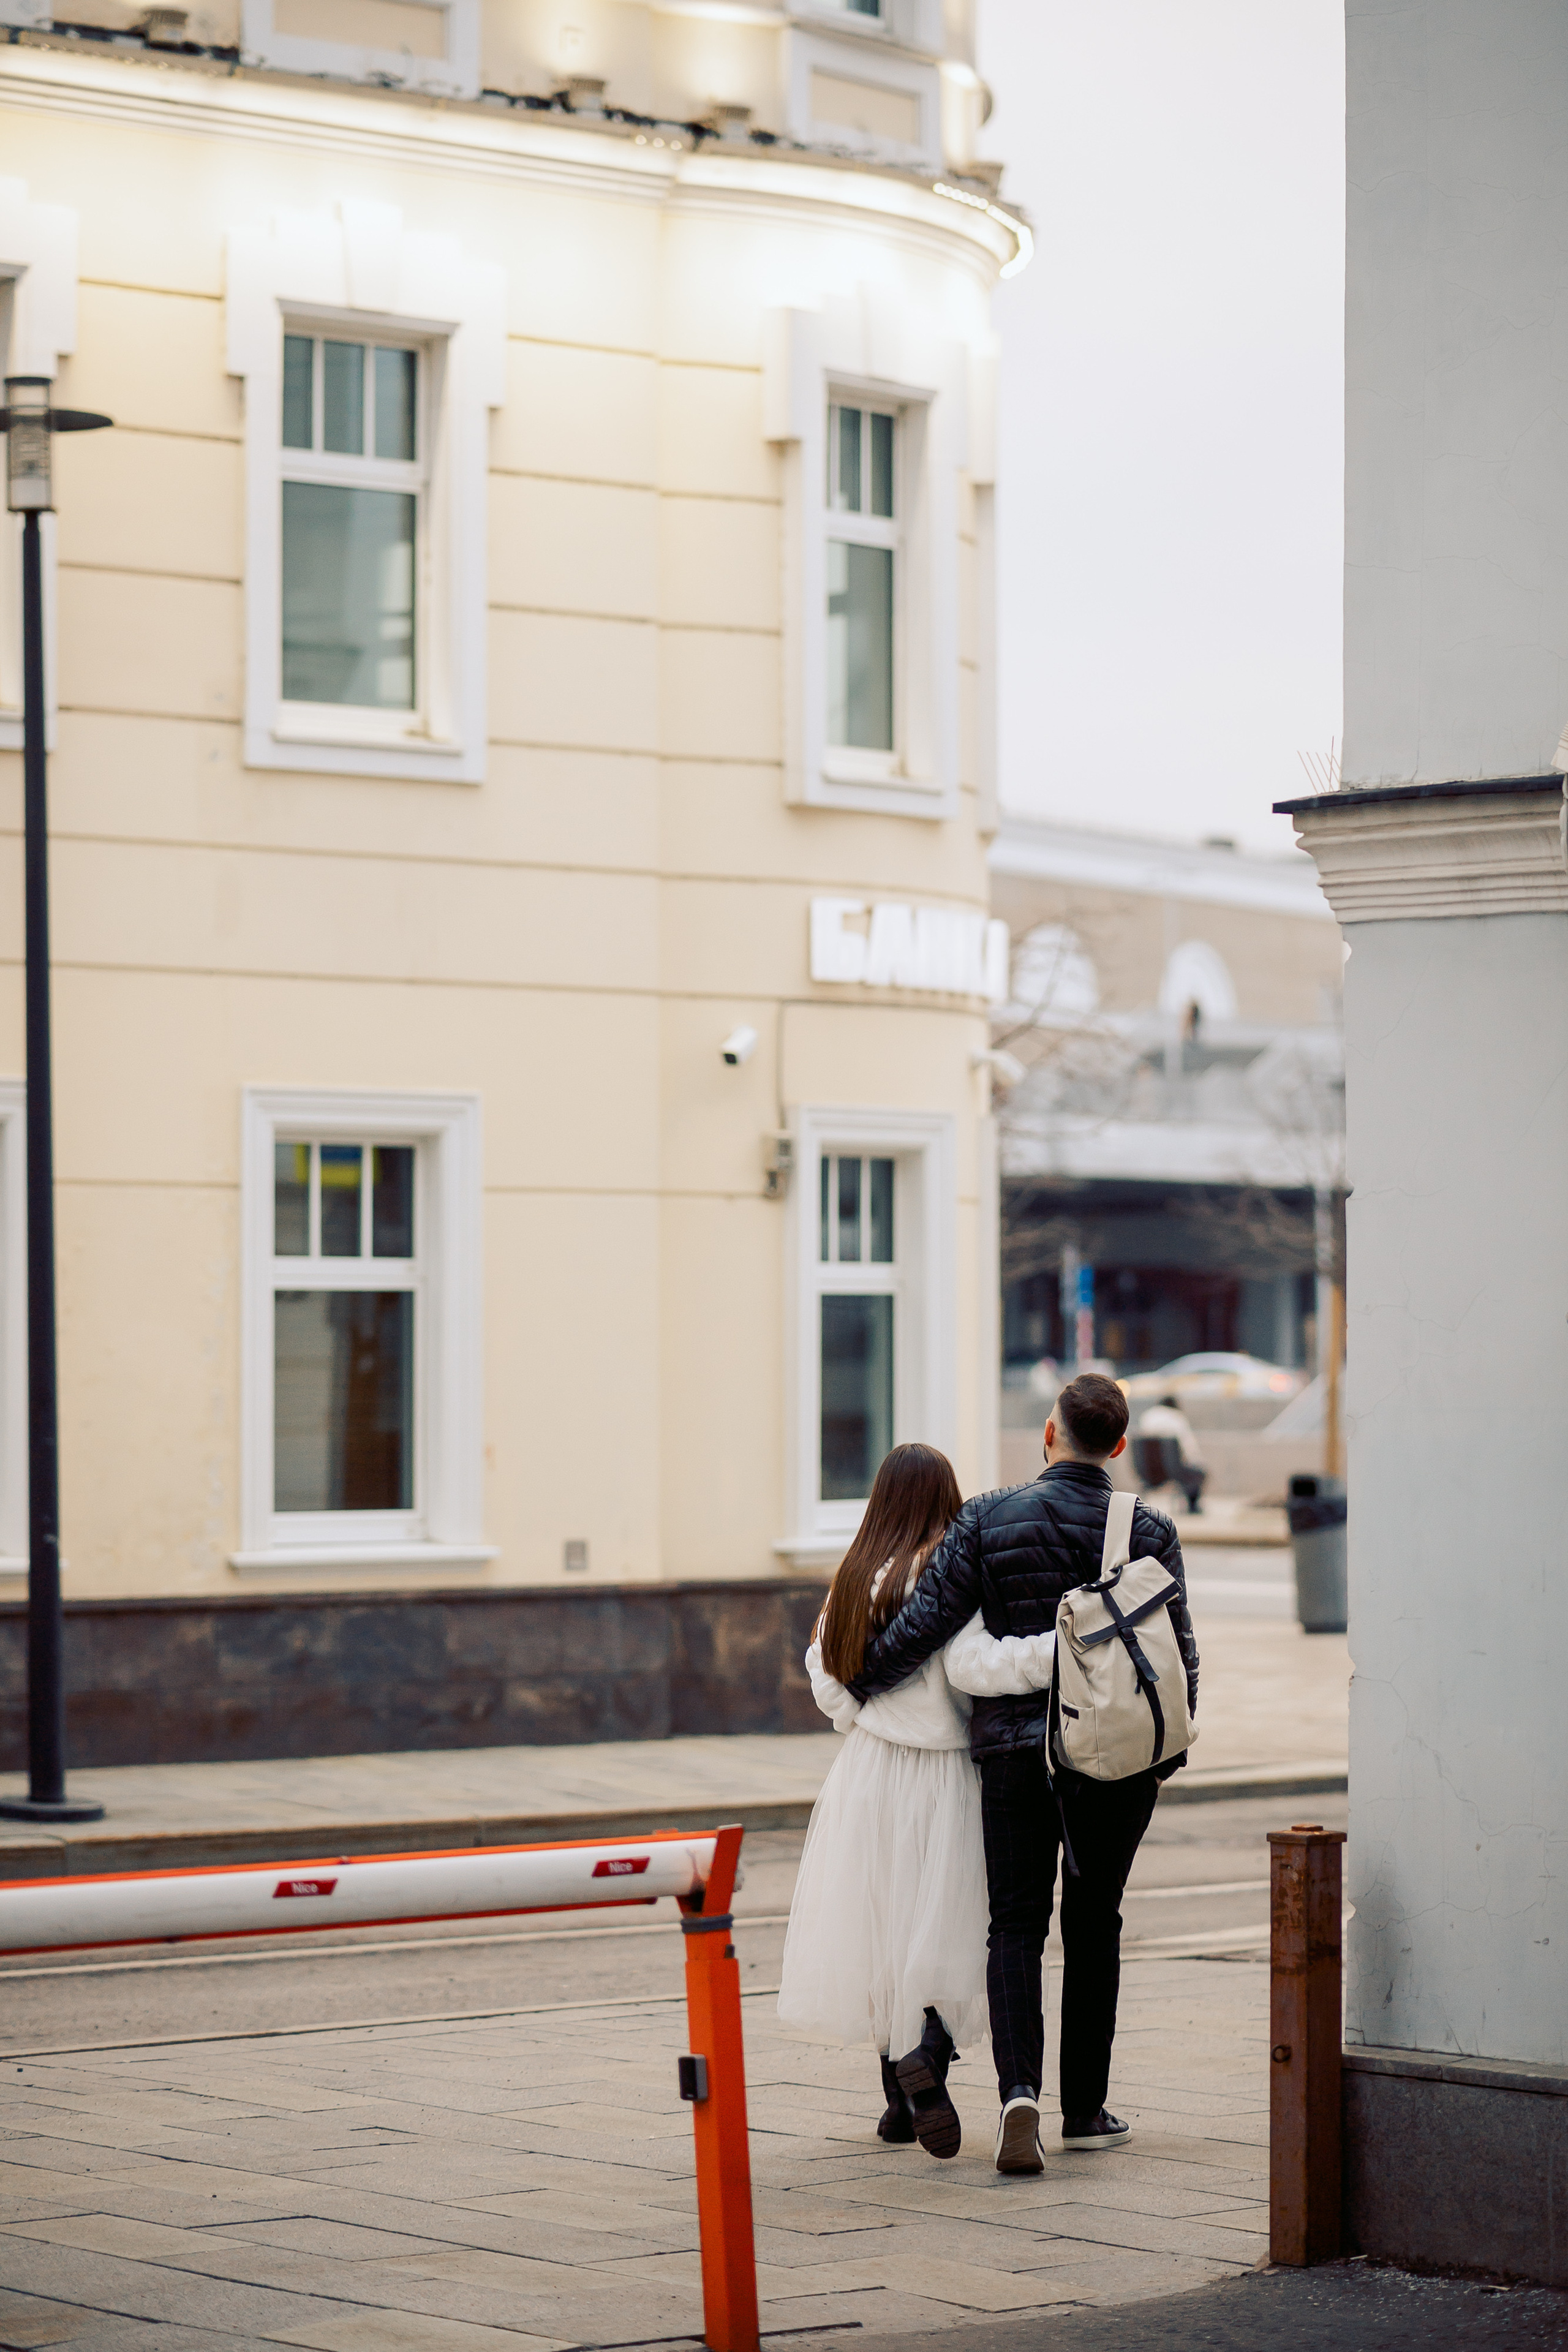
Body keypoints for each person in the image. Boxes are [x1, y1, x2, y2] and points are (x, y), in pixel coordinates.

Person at [848, 1374, 1199, 2176]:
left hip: (1014, 1753)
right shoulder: (1147, 1527)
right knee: (1095, 1922)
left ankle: (1018, 2096)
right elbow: (1176, 1656)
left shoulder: (985, 1517)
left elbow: (926, 1624)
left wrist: (863, 1679)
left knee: (1014, 1925)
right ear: (1117, 1446)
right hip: (1117, 1758)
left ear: (1049, 1435)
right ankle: (1087, 2111)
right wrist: (1166, 1754)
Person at [778, 1442, 1057, 2162]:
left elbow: (824, 1673)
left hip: (867, 1773)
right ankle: (928, 2057)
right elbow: (969, 1673)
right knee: (952, 1929)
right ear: (946, 1498)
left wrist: (865, 1720)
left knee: (882, 1931)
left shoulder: (850, 1576)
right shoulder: (953, 1571)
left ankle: (896, 2108)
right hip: (945, 1775)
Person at [1134, 1393, 1207, 1514]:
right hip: (1173, 1470)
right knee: (1199, 1472)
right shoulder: (1177, 1418)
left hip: (1146, 1471)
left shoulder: (1147, 1417)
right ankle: (1193, 1507)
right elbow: (1188, 1447)